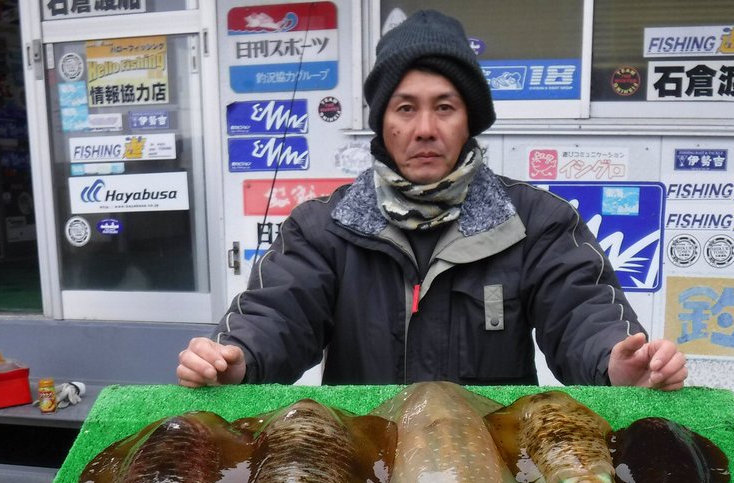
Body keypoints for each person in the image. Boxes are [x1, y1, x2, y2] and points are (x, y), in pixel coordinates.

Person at [178, 9, 685, 391]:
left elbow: (583, 313)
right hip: (364, 464)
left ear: (469, 121)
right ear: (384, 122)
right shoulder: (320, 228)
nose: (424, 129)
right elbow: (278, 315)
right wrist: (237, 356)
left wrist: (614, 362)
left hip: (488, 466)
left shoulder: (538, 221)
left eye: (444, 107)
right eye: (405, 108)